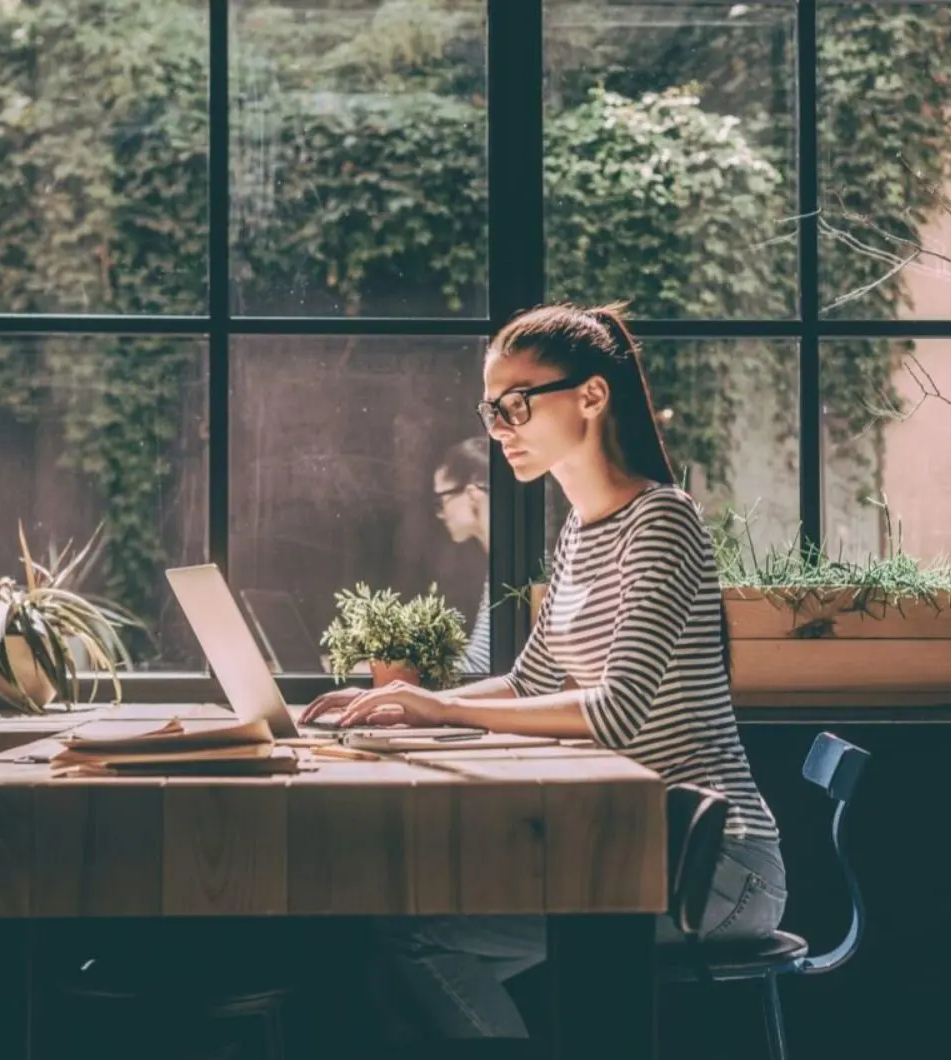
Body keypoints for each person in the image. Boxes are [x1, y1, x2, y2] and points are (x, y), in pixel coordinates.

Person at [303, 302, 786, 1040]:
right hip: (632, 845)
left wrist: (444, 712)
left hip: (717, 865)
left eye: (516, 404)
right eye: (490, 409)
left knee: (420, 938)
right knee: (399, 931)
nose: (499, 428)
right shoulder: (578, 533)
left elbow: (616, 710)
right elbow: (531, 681)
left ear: (591, 396)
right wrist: (408, 701)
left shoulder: (663, 520)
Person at [434, 437, 492, 674]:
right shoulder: (502, 564)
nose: (440, 514)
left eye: (441, 500)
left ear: (471, 494)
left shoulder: (512, 568)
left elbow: (480, 668)